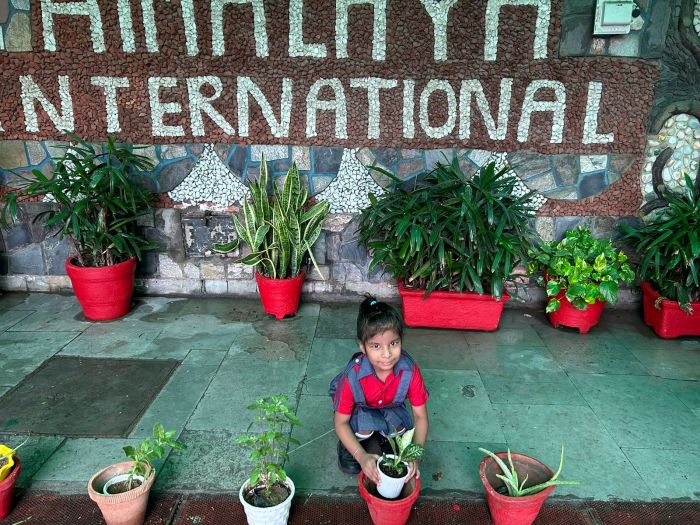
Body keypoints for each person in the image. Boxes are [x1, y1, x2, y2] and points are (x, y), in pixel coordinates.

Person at [329, 296, 429, 486]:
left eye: (393, 343)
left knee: (399, 434)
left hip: (391, 408)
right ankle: (352, 443)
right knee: (359, 431)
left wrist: (414, 455)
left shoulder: (409, 370)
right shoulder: (352, 376)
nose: (387, 354)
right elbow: (340, 422)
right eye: (376, 346)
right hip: (361, 409)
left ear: (401, 340)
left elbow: (420, 416)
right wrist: (360, 456)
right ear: (362, 346)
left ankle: (383, 437)